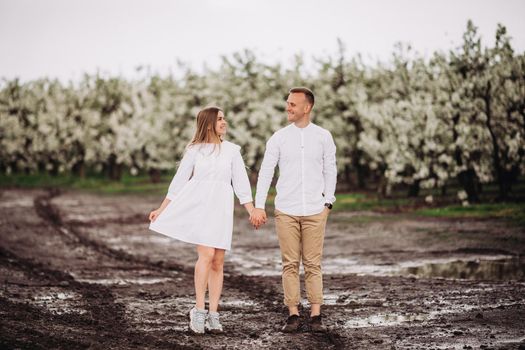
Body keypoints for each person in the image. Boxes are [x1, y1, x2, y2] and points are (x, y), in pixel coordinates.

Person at [149, 106, 255, 334]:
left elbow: (241, 184)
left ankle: (214, 314)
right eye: (220, 119)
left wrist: (251, 210)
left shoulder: (232, 151)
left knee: (218, 261)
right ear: (208, 124)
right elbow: (179, 181)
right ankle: (198, 310)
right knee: (205, 256)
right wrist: (162, 208)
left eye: (224, 118)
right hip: (201, 207)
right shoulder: (195, 151)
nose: (224, 122)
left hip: (222, 209)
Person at [250, 87, 337, 333]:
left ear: (306, 107)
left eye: (292, 104)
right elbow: (266, 172)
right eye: (287, 103)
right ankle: (293, 314)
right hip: (286, 209)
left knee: (313, 263)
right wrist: (259, 205)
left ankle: (316, 315)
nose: (288, 108)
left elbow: (330, 169)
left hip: (314, 209)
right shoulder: (278, 137)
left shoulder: (323, 136)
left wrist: (328, 202)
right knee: (290, 263)